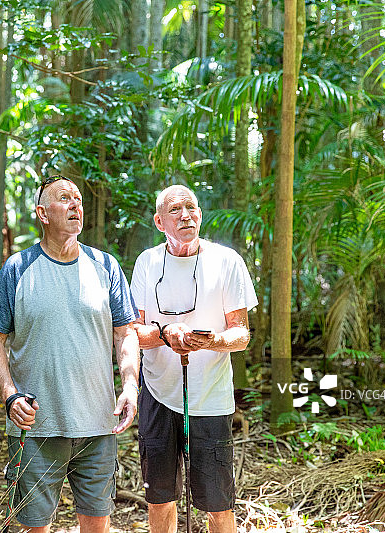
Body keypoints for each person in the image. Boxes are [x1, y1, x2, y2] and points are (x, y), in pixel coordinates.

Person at [0, 175, 140, 533]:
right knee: (36, 525)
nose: (75, 205)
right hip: (37, 424)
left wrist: (130, 386)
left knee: (97, 523)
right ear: (42, 213)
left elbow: (125, 333)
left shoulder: (107, 266)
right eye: (64, 198)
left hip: (98, 424)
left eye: (79, 200)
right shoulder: (18, 269)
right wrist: (9, 395)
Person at [130, 184, 258, 533]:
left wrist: (209, 341)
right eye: (175, 210)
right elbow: (133, 333)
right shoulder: (147, 262)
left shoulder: (226, 261)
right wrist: (167, 334)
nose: (186, 215)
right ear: (159, 221)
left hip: (211, 398)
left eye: (192, 207)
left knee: (218, 502)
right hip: (157, 395)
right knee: (159, 497)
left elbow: (241, 335)